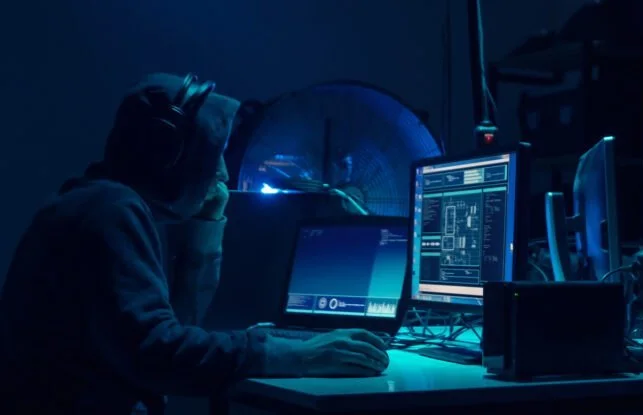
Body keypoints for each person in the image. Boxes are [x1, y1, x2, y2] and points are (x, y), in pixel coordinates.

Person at [0, 74, 390, 414]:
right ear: (168, 152)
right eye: (213, 155)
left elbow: (176, 327)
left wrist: (206, 226)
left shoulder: (92, 201)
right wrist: (299, 355)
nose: (221, 172)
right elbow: (157, 353)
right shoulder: (110, 210)